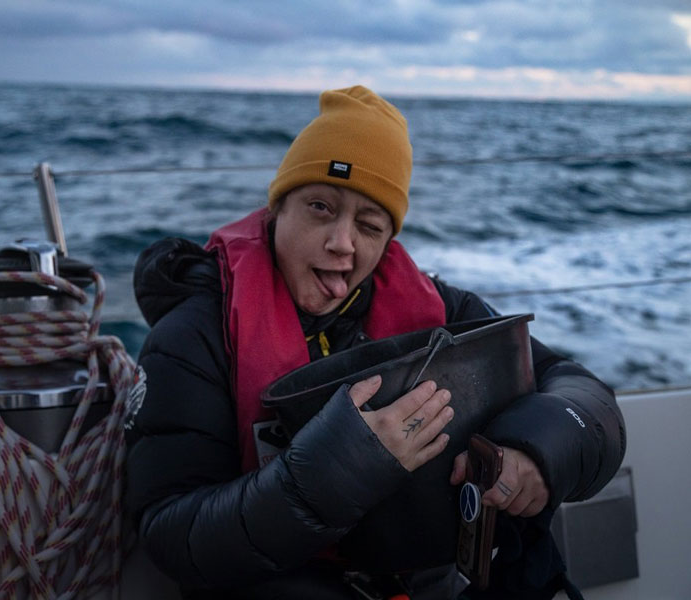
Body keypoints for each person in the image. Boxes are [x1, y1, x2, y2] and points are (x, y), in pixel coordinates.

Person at [125, 85, 625, 599]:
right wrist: (330, 475)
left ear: (388, 242)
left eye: (369, 225)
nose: (342, 242)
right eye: (320, 206)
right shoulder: (195, 334)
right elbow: (171, 532)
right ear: (278, 209)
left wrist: (537, 455)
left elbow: (585, 398)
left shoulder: (444, 314)